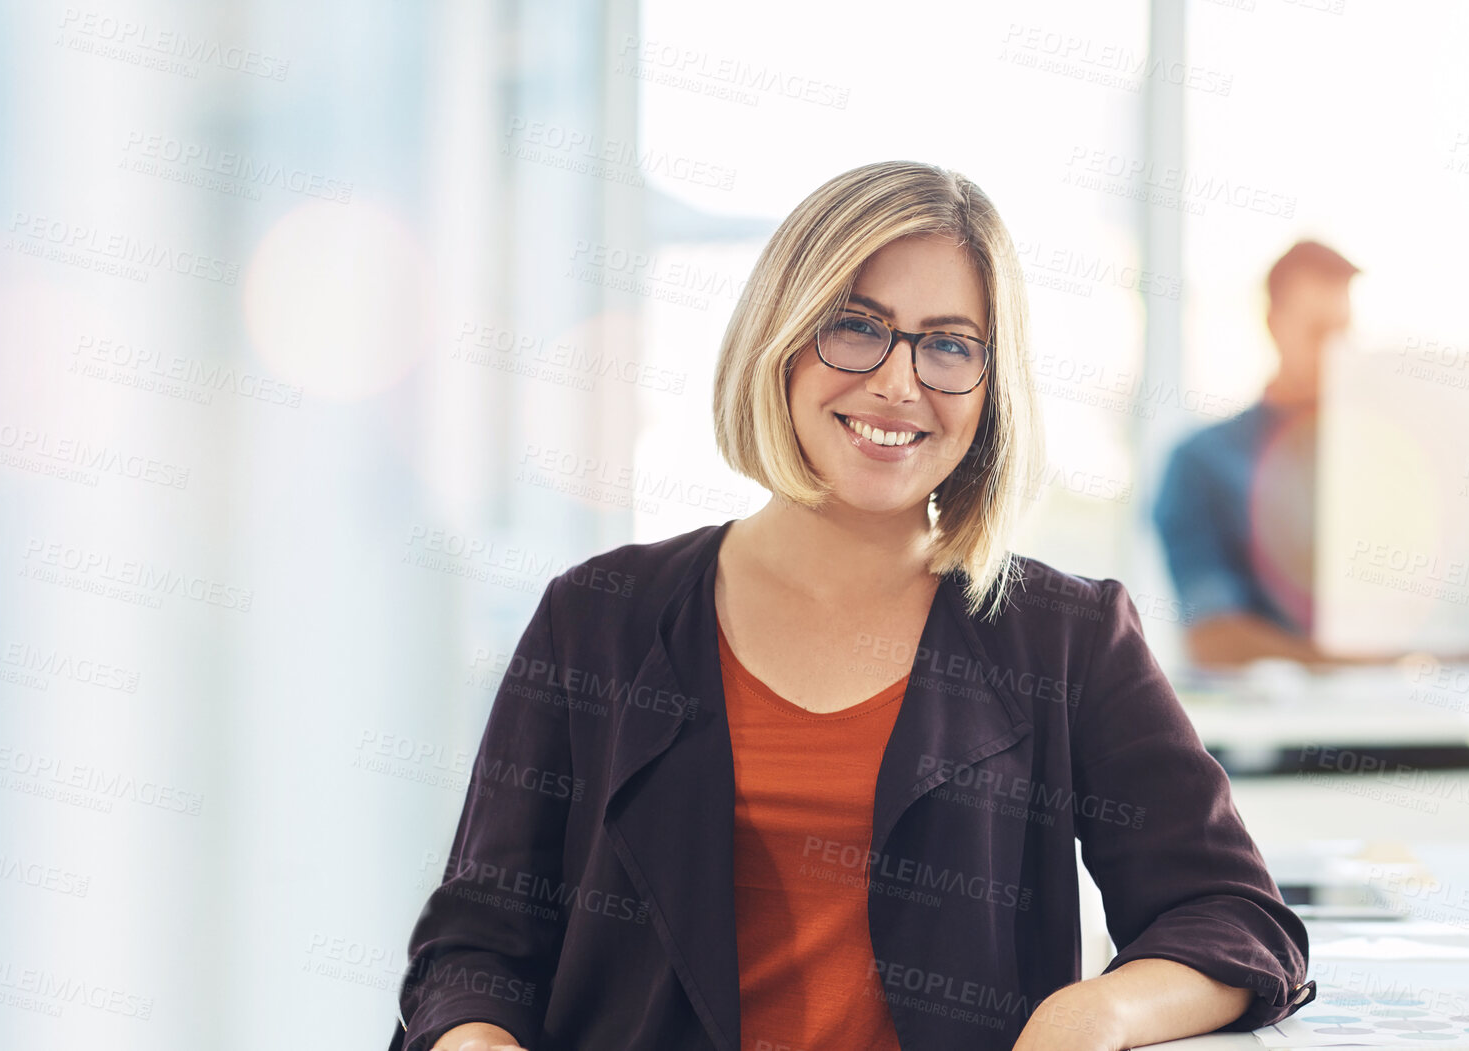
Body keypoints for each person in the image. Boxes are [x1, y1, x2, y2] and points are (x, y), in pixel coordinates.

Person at [391, 161, 1314, 1051]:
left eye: (949, 344)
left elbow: (1233, 918)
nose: (899, 381)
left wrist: (1095, 1011)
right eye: (856, 326)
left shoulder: (1064, 637)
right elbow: (476, 945)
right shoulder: (597, 617)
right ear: (780, 337)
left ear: (991, 388)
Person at [1150, 241, 1359, 668]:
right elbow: (1213, 639)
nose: (1335, 352)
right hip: (1269, 727)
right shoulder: (1202, 463)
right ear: (1272, 324)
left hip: (1405, 714)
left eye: (1344, 333)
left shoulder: (1380, 464)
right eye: (1318, 332)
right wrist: (1352, 665)